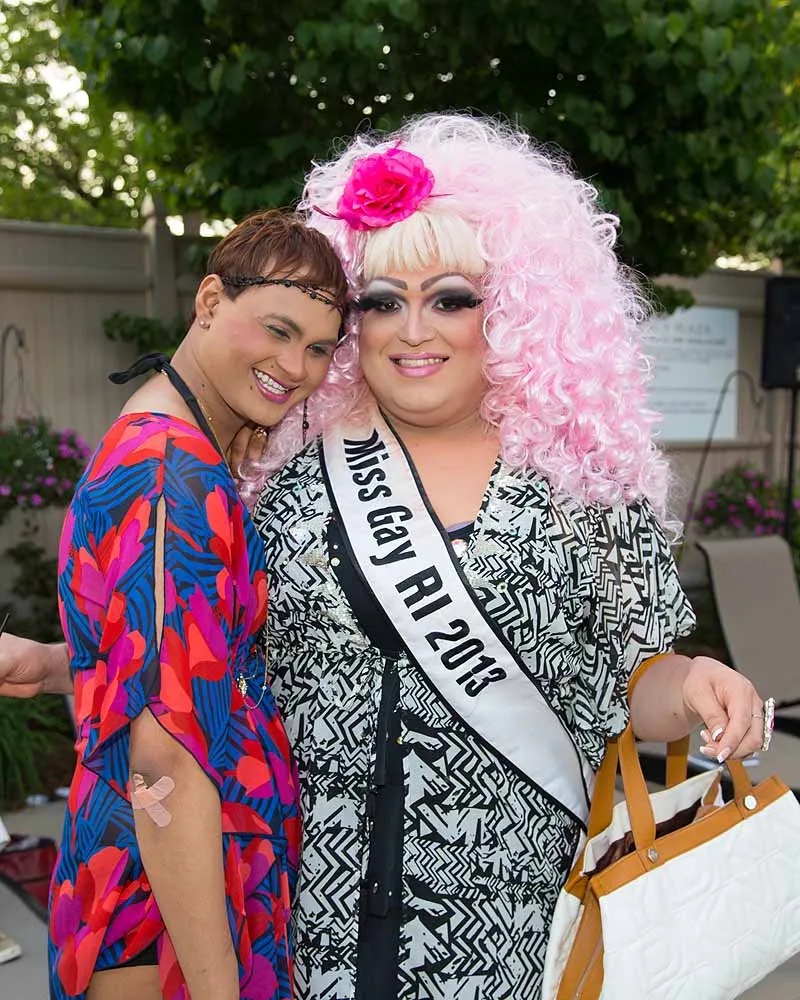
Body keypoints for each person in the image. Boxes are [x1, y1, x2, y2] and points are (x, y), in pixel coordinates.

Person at [0, 115, 767, 1000]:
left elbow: (631, 683)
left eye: (451, 299)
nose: (412, 330)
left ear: (514, 312)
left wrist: (696, 682)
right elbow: (220, 671)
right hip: (300, 929)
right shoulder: (286, 479)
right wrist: (65, 663)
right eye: (381, 301)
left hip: (502, 934)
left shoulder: (585, 487)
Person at [19, 210, 347, 1000]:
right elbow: (165, 757)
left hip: (172, 875)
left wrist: (60, 664)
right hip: (166, 897)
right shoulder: (174, 476)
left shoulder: (168, 441)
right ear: (209, 300)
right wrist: (215, 985)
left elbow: (157, 661)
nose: (294, 366)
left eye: (318, 348)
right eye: (277, 330)